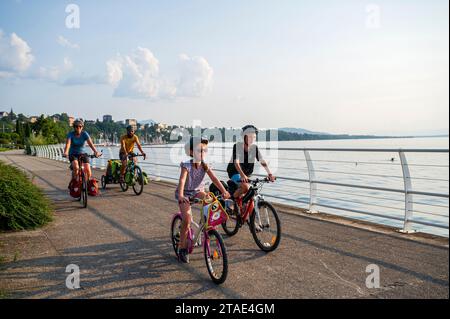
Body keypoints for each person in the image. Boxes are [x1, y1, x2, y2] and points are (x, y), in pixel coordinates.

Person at [176, 136, 230, 263]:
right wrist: (181, 195)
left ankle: (208, 226)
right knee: (187, 219)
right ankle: (182, 248)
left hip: (198, 192)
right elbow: (182, 180)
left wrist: (224, 191)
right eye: (199, 150)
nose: (202, 153)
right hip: (185, 193)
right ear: (190, 152)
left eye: (204, 151)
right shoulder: (186, 165)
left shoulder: (205, 166)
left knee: (211, 202)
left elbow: (215, 179)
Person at [226, 125, 276, 201]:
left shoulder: (254, 148)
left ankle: (243, 206)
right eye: (249, 137)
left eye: (254, 137)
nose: (252, 139)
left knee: (250, 193)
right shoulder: (238, 146)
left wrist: (270, 174)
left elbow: (262, 161)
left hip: (246, 174)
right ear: (244, 137)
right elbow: (236, 162)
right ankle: (231, 201)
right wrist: (242, 175)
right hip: (235, 172)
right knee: (246, 187)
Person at [63, 118, 101, 183]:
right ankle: (74, 183)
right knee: (76, 167)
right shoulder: (70, 134)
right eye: (76, 126)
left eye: (80, 126)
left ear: (82, 127)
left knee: (88, 169)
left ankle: (88, 184)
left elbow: (90, 144)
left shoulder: (84, 134)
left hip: (83, 154)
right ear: (74, 127)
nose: (78, 128)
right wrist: (66, 152)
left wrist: (95, 151)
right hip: (73, 154)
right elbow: (68, 144)